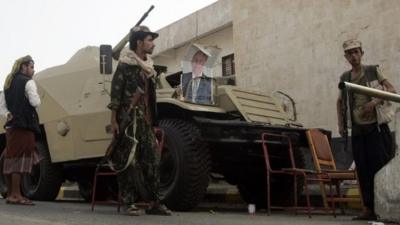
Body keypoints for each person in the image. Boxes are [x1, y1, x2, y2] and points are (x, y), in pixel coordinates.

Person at [107, 25, 171, 216]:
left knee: (152, 159)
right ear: (139, 42)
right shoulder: (126, 64)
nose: (153, 43)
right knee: (128, 161)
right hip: (128, 121)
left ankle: (155, 203)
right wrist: (114, 121)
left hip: (146, 121)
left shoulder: (149, 67)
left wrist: (153, 120)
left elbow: (150, 97)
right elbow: (115, 94)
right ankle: (128, 202)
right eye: (150, 40)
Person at [336, 39, 396, 220]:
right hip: (357, 130)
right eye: (350, 53)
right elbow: (339, 102)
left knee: (379, 168)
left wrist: (374, 102)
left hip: (375, 128)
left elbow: (391, 90)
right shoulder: (345, 78)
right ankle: (368, 208)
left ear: (362, 53)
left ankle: (381, 208)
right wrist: (340, 125)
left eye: (356, 52)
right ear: (346, 57)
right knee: (362, 169)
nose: (353, 56)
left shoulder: (372, 70)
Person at [0, 55, 41, 205]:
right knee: (20, 160)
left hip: (11, 127)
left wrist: (8, 114)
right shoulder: (28, 82)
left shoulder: (8, 83)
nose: (33, 70)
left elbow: (2, 107)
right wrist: (38, 98)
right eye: (31, 67)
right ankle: (16, 195)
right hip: (24, 126)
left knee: (12, 159)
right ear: (24, 67)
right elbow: (35, 102)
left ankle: (11, 194)